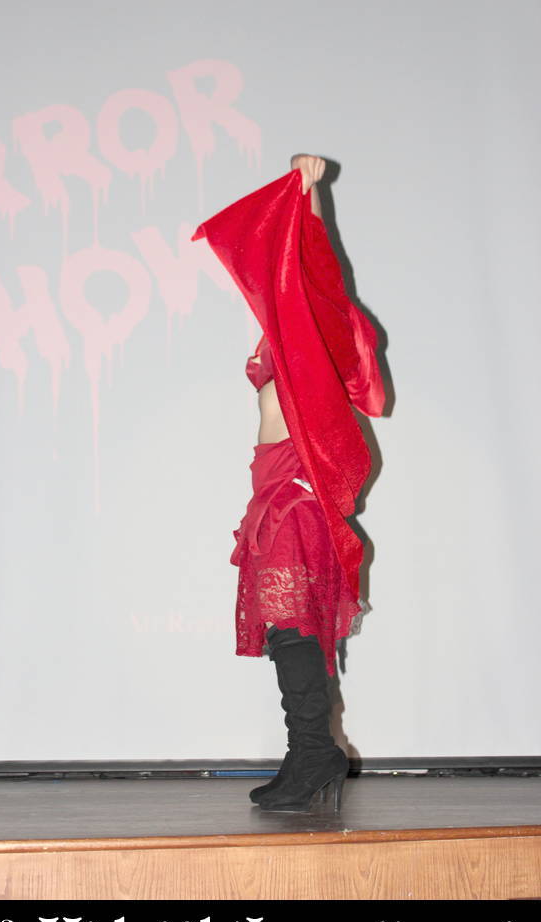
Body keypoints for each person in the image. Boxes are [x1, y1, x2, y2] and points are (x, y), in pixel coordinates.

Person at [191, 155, 384, 814]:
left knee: (292, 630)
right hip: (277, 503)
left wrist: (307, 192)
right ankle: (308, 754)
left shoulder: (308, 350)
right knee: (287, 632)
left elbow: (315, 269)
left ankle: (313, 754)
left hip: (292, 509)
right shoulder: (287, 345)